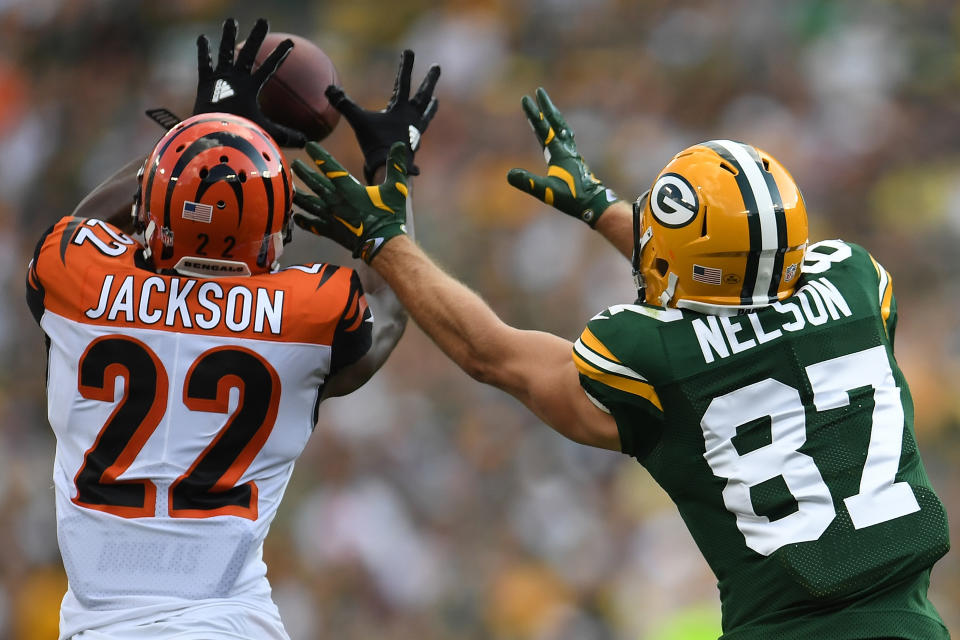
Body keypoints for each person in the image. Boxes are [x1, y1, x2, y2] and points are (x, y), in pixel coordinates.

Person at [290, 88, 951, 639]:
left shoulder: (655, 358)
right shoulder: (857, 286)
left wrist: (382, 241)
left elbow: (492, 356)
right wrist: (604, 210)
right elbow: (741, 293)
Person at [25, 18, 440, 639]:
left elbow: (80, 225)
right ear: (274, 232)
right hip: (231, 625)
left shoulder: (76, 279)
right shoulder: (307, 313)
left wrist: (201, 135)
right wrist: (390, 171)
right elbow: (396, 306)